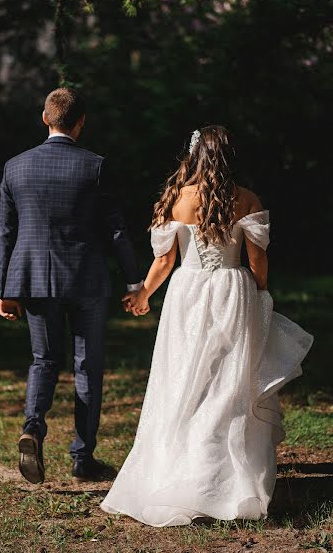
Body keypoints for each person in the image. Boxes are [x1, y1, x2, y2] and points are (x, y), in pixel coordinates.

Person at [101, 125, 314, 526]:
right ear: (230, 157)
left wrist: (144, 295)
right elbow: (257, 261)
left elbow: (164, 261)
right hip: (233, 292)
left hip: (188, 294)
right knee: (229, 384)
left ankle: (183, 474)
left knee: (185, 380)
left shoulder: (177, 199)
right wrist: (261, 292)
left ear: (194, 156)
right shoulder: (247, 199)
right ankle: (224, 481)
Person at [0, 87, 143, 484]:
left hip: (33, 279)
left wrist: (5, 289)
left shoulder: (15, 167)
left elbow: (7, 233)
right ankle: (82, 458)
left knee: (44, 360)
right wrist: (134, 281)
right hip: (86, 280)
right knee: (87, 367)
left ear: (45, 118)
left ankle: (32, 427)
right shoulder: (95, 166)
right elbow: (116, 231)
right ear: (81, 123)